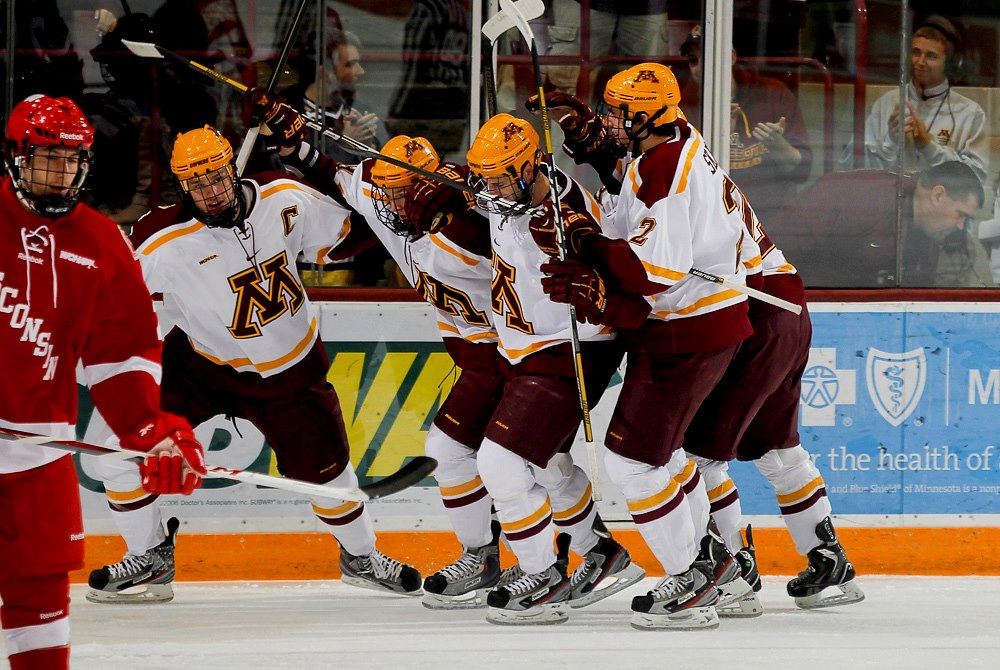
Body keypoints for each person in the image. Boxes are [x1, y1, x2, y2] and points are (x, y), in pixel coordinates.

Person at [87, 121, 421, 604]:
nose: (211, 191)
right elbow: (119, 306)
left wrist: (386, 206)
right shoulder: (160, 239)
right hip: (200, 365)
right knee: (117, 450)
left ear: (232, 166)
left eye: (217, 176)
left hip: (290, 373)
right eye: (196, 184)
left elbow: (347, 231)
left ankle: (361, 557)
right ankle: (151, 556)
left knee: (331, 481)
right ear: (182, 187)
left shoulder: (281, 195)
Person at [529, 63, 757, 630]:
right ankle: (714, 565)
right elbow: (633, 211)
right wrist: (592, 159)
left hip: (689, 331)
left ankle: (689, 577)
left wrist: (590, 246)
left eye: (616, 112)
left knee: (632, 463)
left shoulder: (667, 167)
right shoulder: (666, 147)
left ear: (647, 114)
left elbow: (653, 268)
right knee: (662, 456)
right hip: (691, 327)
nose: (608, 120)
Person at [0, 94, 205, 669]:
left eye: (72, 160)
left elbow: (122, 357)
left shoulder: (102, 244)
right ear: (18, 157)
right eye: (47, 157)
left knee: (39, 604)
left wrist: (153, 432)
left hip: (38, 459)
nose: (60, 172)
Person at [463, 113, 639, 625]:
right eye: (485, 179)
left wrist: (566, 239)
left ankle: (542, 573)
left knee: (497, 462)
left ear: (531, 168)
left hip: (572, 349)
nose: (490, 190)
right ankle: (599, 550)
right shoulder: (502, 195)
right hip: (526, 350)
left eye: (500, 179)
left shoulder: (569, 212)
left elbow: (615, 275)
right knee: (542, 464)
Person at [774, 161, 984, 287]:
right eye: (960, 214)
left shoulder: (930, 233)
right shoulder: (859, 197)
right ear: (938, 195)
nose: (959, 226)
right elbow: (777, 251)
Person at [680, 26, 813, 221]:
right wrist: (719, 137)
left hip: (775, 217)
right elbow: (687, 181)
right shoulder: (682, 106)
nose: (701, 67)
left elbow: (802, 171)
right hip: (713, 217)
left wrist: (778, 145)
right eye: (693, 61)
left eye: (709, 57)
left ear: (732, 57)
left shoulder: (773, 93)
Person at [844, 16, 988, 187]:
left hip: (940, 211)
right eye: (916, 52)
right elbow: (852, 169)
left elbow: (976, 181)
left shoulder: (971, 113)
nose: (920, 62)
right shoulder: (884, 104)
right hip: (889, 205)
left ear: (950, 63)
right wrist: (890, 142)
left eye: (931, 56)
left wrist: (928, 146)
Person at [545, 0, 668, 98]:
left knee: (646, 89)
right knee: (569, 86)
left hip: (648, 7)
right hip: (580, 3)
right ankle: (568, 127)